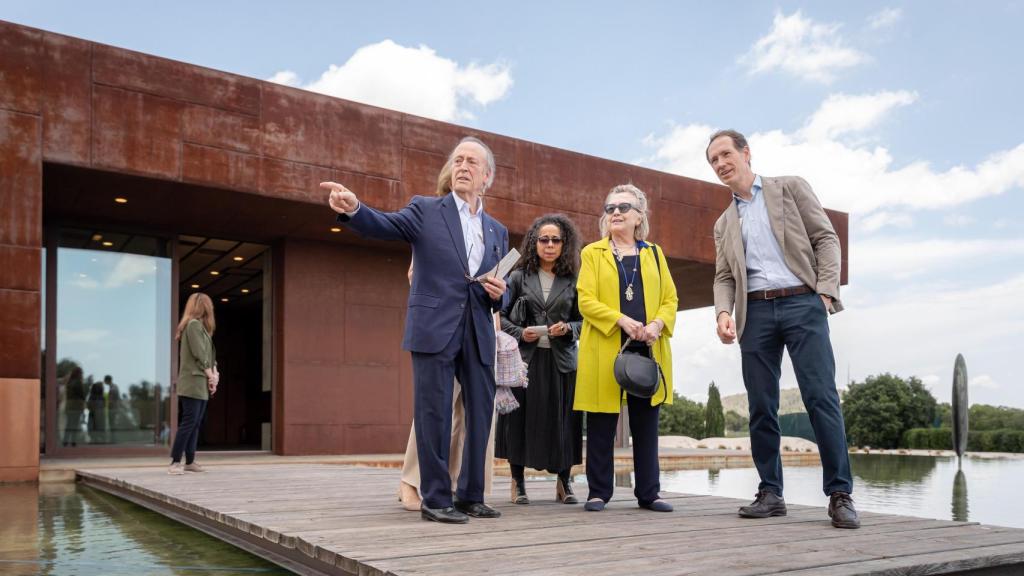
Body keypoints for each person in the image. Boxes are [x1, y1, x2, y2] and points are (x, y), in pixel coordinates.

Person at [324, 136, 509, 524]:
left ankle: (471, 495)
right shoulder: (426, 210)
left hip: (478, 330)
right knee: (434, 414)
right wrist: (355, 208)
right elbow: (384, 224)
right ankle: (436, 499)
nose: (463, 166)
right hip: (433, 327)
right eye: (457, 160)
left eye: (472, 162)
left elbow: (497, 290)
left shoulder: (497, 231)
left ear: (486, 177)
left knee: (480, 414)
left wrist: (499, 293)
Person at [707, 129, 859, 529]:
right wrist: (723, 312)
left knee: (820, 397)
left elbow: (826, 238)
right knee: (760, 405)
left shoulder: (789, 188)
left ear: (746, 153)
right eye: (713, 160)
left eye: (725, 154)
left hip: (801, 302)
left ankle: (840, 494)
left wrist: (824, 293)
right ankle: (771, 492)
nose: (721, 164)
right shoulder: (724, 223)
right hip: (753, 314)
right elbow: (724, 275)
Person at [574, 184, 678, 513]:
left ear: (639, 216)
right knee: (602, 423)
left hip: (647, 348)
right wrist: (620, 320)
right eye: (610, 208)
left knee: (646, 424)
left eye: (623, 207)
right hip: (606, 347)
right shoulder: (593, 253)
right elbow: (585, 300)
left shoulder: (654, 254)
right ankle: (598, 492)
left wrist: (657, 325)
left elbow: (670, 299)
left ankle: (649, 492)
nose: (615, 213)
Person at [398, 258, 497, 511]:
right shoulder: (435, 223)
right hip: (443, 327)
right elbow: (415, 275)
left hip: (483, 326)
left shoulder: (489, 231)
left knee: (477, 415)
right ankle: (410, 482)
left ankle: (464, 488)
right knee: (434, 411)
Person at [498, 213, 583, 505]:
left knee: (564, 423)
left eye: (555, 240)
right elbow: (501, 318)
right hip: (526, 362)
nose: (549, 245)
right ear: (534, 242)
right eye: (543, 239)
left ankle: (564, 482)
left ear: (564, 244)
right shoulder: (518, 276)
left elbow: (585, 322)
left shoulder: (574, 279)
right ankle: (518, 483)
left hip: (562, 362)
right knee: (519, 423)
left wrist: (569, 328)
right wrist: (522, 333)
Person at [169, 292, 219, 475]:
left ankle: (190, 461)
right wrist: (210, 374)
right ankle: (175, 462)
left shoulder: (203, 329)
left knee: (196, 423)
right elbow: (199, 354)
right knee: (189, 422)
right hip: (192, 382)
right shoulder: (193, 325)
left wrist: (215, 375)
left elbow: (210, 356)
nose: (210, 308)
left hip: (201, 383)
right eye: (209, 305)